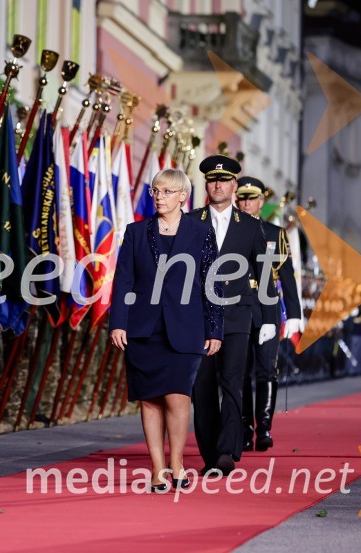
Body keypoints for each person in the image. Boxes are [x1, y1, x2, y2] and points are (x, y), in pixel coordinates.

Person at [110, 168, 224, 492]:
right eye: (156, 191)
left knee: (178, 397)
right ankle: (158, 469)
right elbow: (123, 281)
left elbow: (211, 283)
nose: (159, 197)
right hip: (143, 329)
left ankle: (178, 463)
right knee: (149, 400)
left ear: (183, 197)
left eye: (167, 192)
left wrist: (215, 328)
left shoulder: (201, 233)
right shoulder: (135, 232)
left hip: (187, 329)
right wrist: (118, 322)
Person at [187, 155, 277, 476]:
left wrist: (268, 318)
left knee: (232, 382)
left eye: (224, 180)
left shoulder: (251, 227)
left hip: (238, 316)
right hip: (199, 317)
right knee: (203, 386)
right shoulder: (191, 221)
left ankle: (227, 450)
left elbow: (264, 274)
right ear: (207, 184)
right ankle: (210, 452)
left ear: (234, 186)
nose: (218, 185)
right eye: (212, 179)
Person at [236, 177, 303, 452]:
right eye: (242, 198)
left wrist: (295, 313)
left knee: (267, 368)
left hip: (267, 306)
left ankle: (263, 428)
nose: (247, 202)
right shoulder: (229, 230)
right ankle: (243, 429)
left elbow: (286, 276)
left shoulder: (275, 234)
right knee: (238, 371)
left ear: (261, 202)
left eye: (252, 198)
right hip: (237, 305)